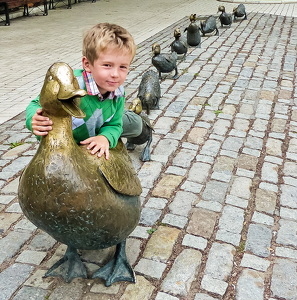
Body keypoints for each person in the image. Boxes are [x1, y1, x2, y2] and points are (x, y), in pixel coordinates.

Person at [26, 23, 142, 160]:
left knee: (135, 125)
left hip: (88, 144)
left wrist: (105, 137)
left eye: (123, 67)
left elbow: (115, 125)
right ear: (87, 64)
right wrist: (34, 118)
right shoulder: (71, 86)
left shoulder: (118, 93)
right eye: (107, 65)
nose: (115, 74)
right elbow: (35, 104)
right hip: (60, 146)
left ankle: (133, 120)